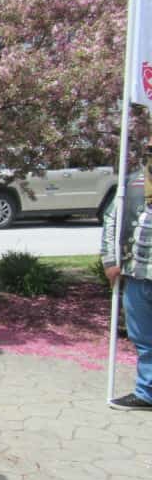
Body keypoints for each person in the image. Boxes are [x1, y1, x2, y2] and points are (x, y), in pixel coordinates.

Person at [101, 152, 152, 411]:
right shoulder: (132, 185)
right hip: (138, 274)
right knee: (142, 337)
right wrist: (110, 260)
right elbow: (111, 220)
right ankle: (146, 392)